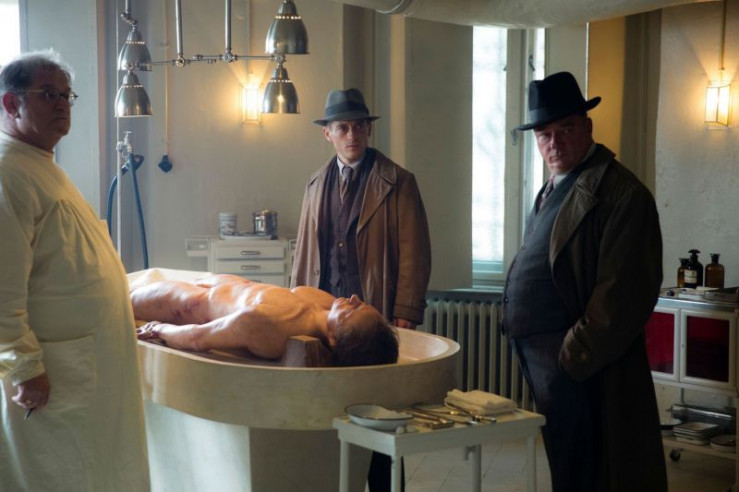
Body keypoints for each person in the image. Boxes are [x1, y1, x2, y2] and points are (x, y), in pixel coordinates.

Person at [502, 71, 667, 491]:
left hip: (582, 364)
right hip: (550, 362)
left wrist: (571, 357)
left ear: (588, 127)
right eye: (544, 135)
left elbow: (622, 295)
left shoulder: (623, 194)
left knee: (594, 470)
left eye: (566, 130)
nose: (554, 143)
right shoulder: (553, 188)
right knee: (567, 464)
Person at [0, 50, 149, 490]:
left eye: (67, 95)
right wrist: (24, 367)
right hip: (54, 374)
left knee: (95, 470)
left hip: (83, 364)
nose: (63, 104)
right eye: (49, 94)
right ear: (11, 103)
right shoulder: (8, 172)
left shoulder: (40, 166)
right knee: (62, 475)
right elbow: (2, 288)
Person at [291, 88, 432, 490]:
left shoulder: (398, 181)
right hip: (325, 320)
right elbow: (304, 254)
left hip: (377, 316)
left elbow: (415, 252)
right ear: (328, 134)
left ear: (369, 129)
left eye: (358, 126)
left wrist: (405, 312)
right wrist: (295, 308)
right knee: (330, 412)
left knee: (383, 416)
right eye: (343, 128)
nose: (352, 135)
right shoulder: (315, 184)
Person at [131, 273, 399, 366]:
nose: (353, 297)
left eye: (353, 311)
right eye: (363, 304)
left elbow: (198, 338)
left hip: (180, 304)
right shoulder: (326, 304)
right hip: (208, 284)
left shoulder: (273, 324)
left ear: (332, 339)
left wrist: (159, 329)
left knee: (119, 299)